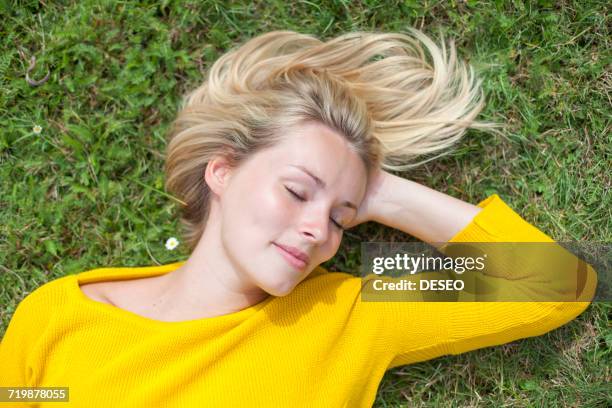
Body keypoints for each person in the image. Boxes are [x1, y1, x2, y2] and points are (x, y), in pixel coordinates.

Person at [0, 28, 597, 407]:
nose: (320, 231)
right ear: (223, 171)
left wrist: (381, 193)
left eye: (342, 218)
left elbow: (553, 281)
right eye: (296, 190)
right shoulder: (65, 310)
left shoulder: (343, 314)